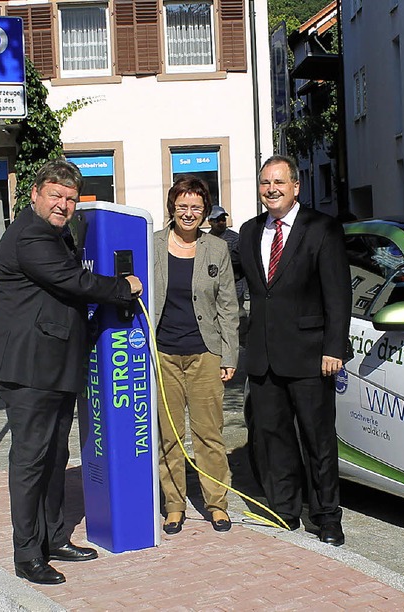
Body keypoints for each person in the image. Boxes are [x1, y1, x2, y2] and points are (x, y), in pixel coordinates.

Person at [0, 159, 143, 585]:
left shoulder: (54, 234)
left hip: (53, 366)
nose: (63, 204)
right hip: (28, 369)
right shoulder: (31, 235)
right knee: (31, 460)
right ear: (35, 194)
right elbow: (75, 283)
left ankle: (54, 537)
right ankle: (27, 554)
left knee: (55, 456)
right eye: (56, 195)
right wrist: (124, 287)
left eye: (71, 199)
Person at [238, 155, 351, 546]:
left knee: (318, 439)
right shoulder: (250, 231)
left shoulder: (322, 228)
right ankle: (285, 509)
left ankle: (327, 516)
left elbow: (338, 294)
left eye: (279, 182)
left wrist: (334, 346)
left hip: (311, 354)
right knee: (274, 437)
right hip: (265, 356)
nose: (271, 189)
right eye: (265, 183)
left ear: (296, 186)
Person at [154, 175, 239, 534]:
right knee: (169, 436)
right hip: (162, 355)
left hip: (205, 353)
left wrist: (229, 355)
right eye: (183, 206)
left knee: (208, 434)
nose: (189, 213)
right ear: (173, 207)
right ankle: (174, 506)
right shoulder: (152, 243)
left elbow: (228, 306)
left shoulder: (216, 249)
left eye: (196, 208)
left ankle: (216, 503)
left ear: (206, 212)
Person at [207, 205, 247, 313]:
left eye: (223, 219)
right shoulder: (206, 240)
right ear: (210, 221)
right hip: (214, 288)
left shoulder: (235, 239)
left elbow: (239, 264)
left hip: (234, 287)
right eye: (218, 220)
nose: (221, 222)